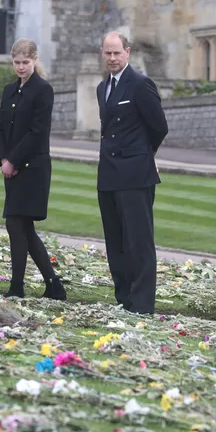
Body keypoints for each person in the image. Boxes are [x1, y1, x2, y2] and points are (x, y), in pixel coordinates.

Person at [96, 31, 168, 315]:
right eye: (108, 53)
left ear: (127, 52)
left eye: (117, 53)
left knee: (138, 242)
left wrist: (146, 155)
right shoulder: (102, 88)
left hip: (135, 174)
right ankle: (123, 299)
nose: (112, 58)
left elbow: (159, 126)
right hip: (109, 175)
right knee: (115, 242)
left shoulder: (140, 84)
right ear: (103, 54)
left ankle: (141, 305)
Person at [0, 39, 66, 300]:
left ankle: (17, 287)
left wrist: (13, 160)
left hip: (32, 168)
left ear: (35, 59)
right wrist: (3, 159)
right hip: (12, 168)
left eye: (26, 62)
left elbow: (37, 133)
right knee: (23, 227)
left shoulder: (42, 90)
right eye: (17, 63)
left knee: (15, 223)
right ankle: (53, 284)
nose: (21, 67)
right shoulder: (10, 91)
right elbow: (1, 129)